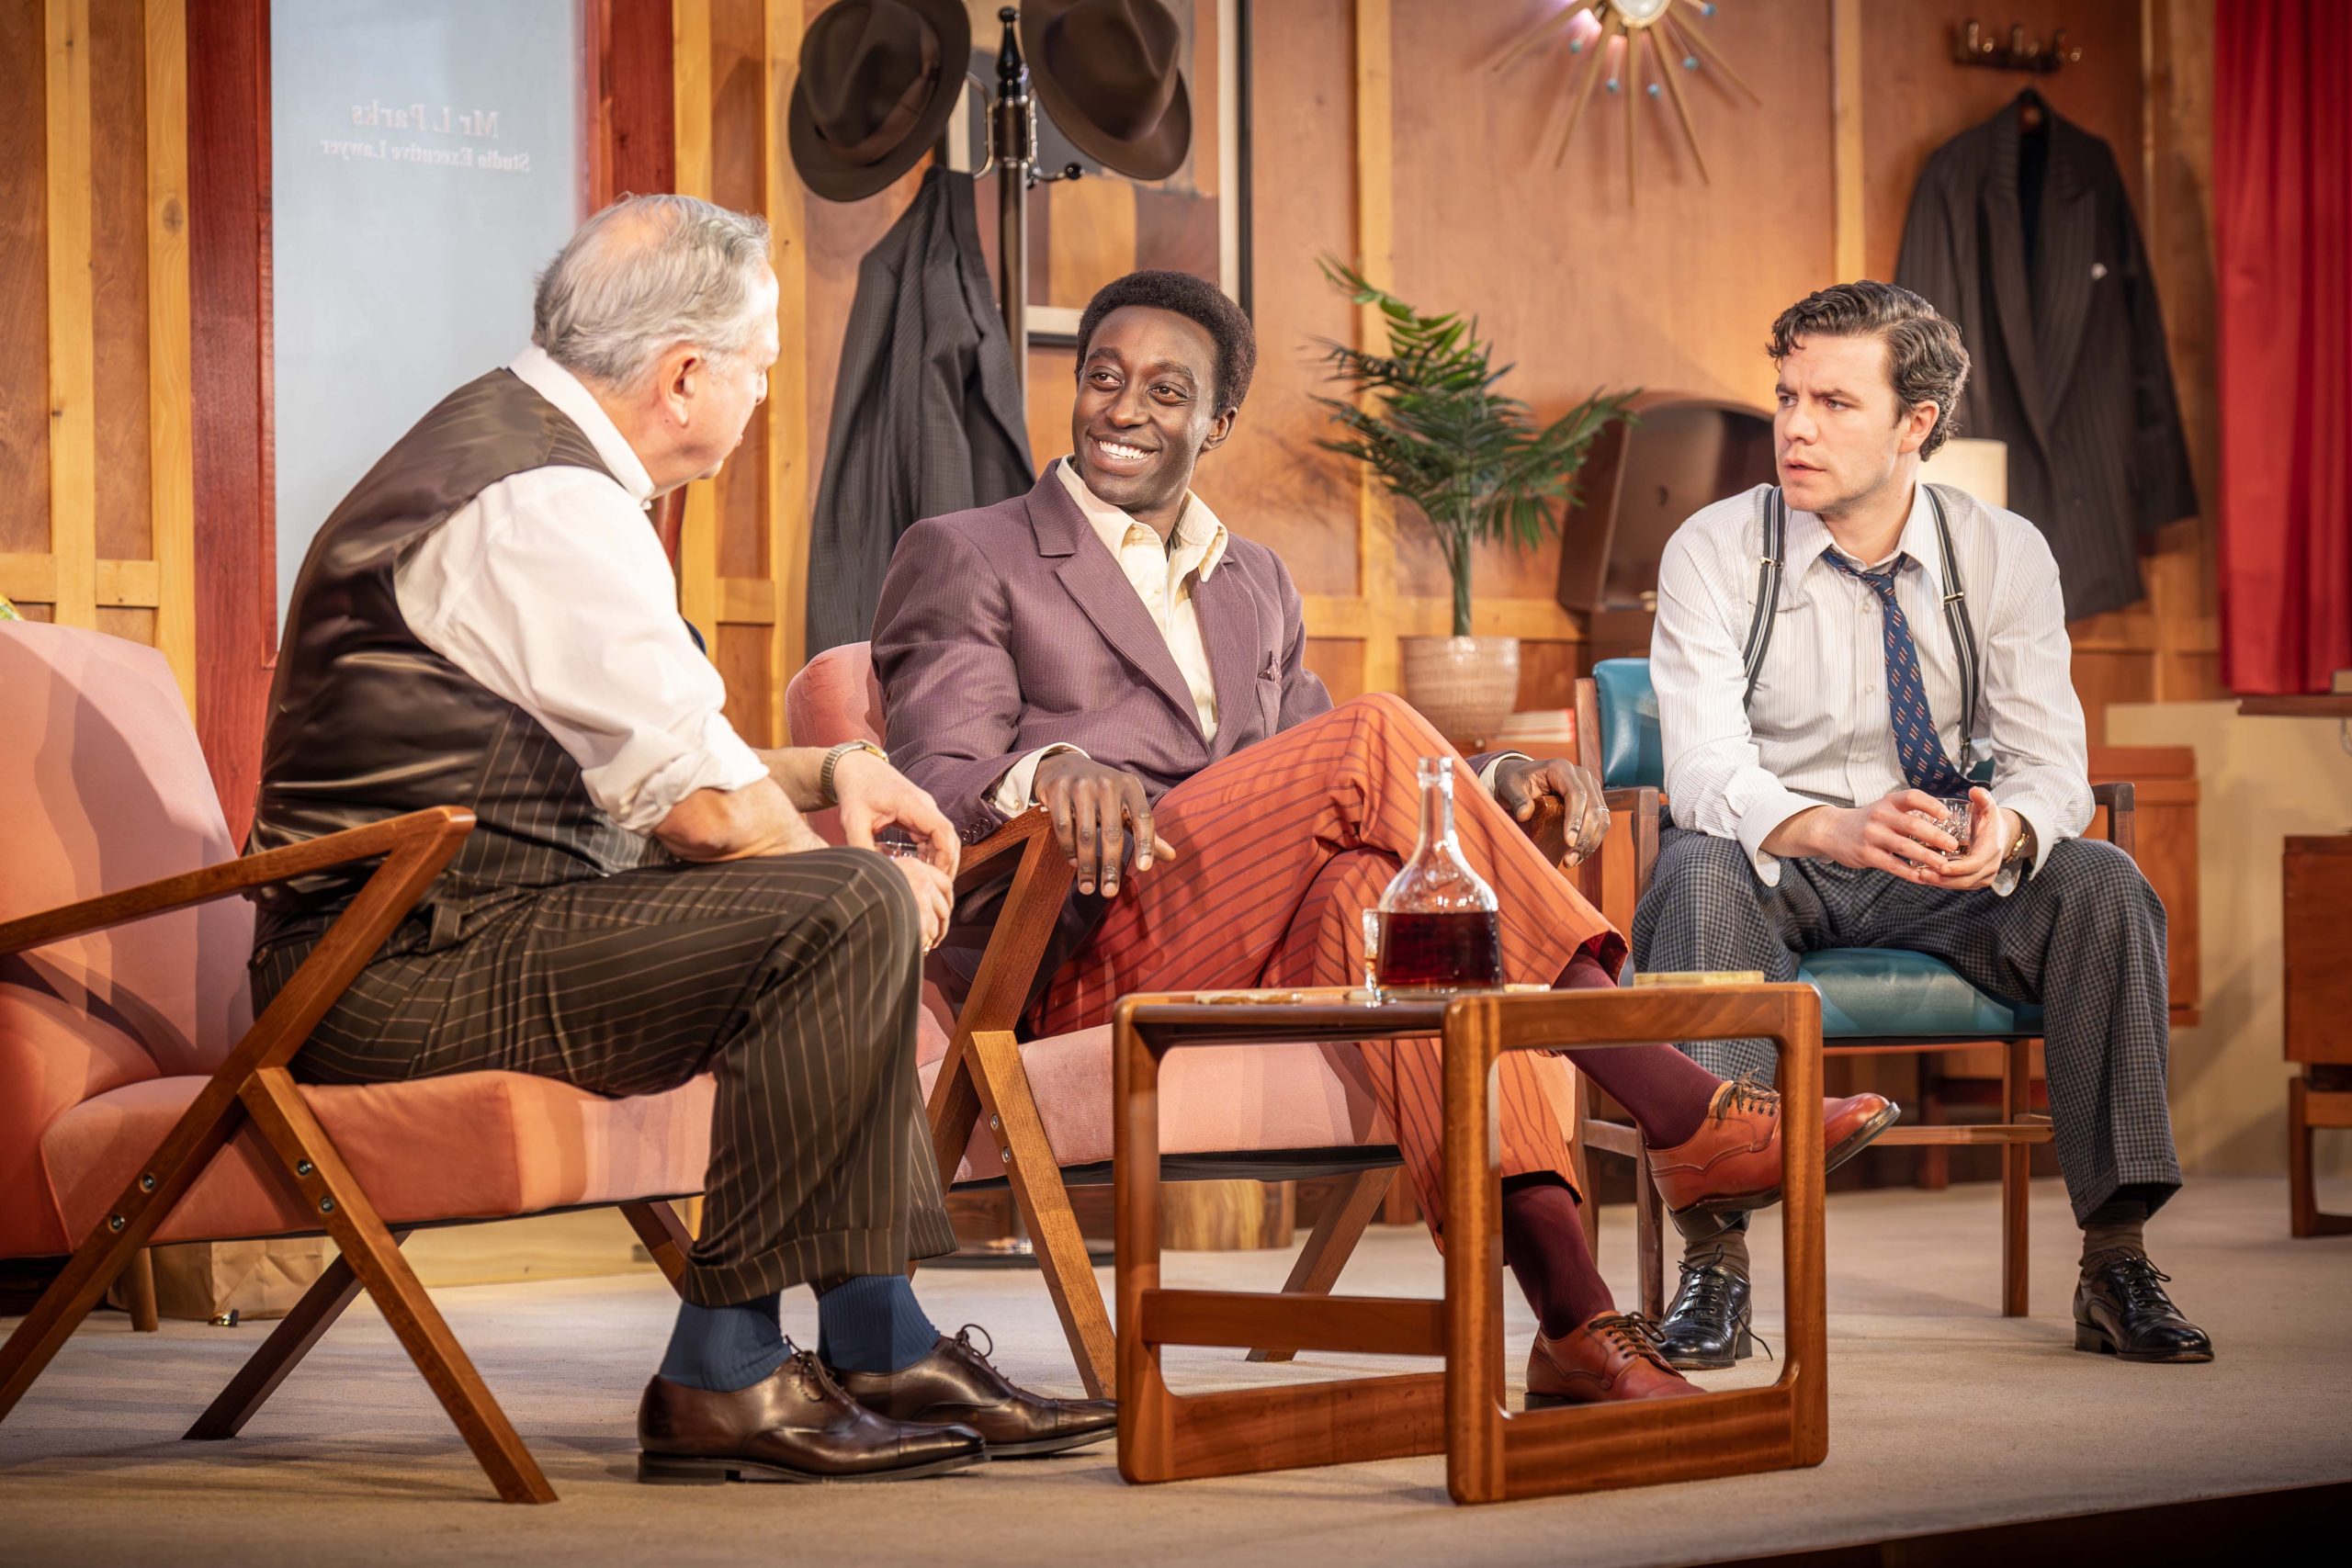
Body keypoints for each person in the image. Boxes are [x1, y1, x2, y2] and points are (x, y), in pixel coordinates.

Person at [872, 269, 1897, 1404]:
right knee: (1370, 743)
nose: (1123, 408)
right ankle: (1675, 1103)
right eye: (1103, 378)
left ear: (1216, 422)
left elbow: (1314, 772)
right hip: (1075, 947)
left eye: (1165, 390)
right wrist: (1049, 769)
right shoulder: (970, 551)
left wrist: (1494, 783)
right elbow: (930, 785)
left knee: (1387, 903)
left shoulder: (1253, 580)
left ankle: (1574, 1323)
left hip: (1251, 936)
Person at [245, 195, 1114, 1484]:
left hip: (468, 927)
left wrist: (840, 767)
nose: (762, 393)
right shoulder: (540, 501)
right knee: (845, 908)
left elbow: (660, 757)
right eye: (759, 365)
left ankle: (879, 1341)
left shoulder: (530, 465)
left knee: (844, 900)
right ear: (685, 375)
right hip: (378, 973)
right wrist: (870, 880)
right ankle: (724, 1373)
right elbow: (705, 813)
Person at [1637, 279, 2210, 1369]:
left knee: (2101, 881)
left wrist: (2012, 833)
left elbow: (2049, 763)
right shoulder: (1714, 548)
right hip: (1781, 859)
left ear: (1916, 423)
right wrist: (1830, 828)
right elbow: (1703, 766)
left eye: (1834, 403)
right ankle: (1714, 1265)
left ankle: (2116, 1263)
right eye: (1787, 396)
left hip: (1940, 862)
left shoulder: (2003, 552)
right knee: (1697, 872)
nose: (1796, 428)